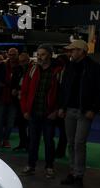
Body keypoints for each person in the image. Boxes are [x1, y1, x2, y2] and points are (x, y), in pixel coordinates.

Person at [59, 39, 100, 188]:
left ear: (82, 51)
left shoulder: (95, 68)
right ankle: (72, 171)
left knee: (79, 143)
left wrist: (94, 109)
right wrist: (62, 107)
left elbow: (99, 91)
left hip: (85, 111)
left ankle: (78, 176)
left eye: (73, 50)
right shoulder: (70, 66)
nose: (70, 52)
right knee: (71, 143)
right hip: (69, 110)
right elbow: (64, 88)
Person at [20, 44, 62, 179]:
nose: (39, 57)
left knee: (49, 142)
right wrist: (25, 109)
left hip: (49, 114)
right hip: (33, 113)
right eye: (38, 54)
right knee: (33, 141)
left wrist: (56, 110)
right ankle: (31, 166)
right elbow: (24, 91)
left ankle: (49, 167)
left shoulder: (58, 71)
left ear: (50, 54)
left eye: (42, 54)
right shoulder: (32, 70)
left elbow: (62, 93)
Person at [0, 48, 22, 148]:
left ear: (17, 54)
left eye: (14, 54)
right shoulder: (2, 65)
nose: (12, 56)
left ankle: (6, 140)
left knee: (10, 123)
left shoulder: (20, 66)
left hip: (13, 99)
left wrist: (17, 89)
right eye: (10, 54)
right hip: (1, 97)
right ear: (7, 54)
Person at [14, 52, 33, 151]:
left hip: (29, 101)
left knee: (30, 125)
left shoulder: (33, 70)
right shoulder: (18, 69)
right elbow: (15, 82)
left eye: (24, 61)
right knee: (21, 124)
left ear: (28, 60)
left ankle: (29, 145)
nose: (22, 63)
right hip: (19, 101)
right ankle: (22, 143)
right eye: (20, 61)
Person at [55, 54, 70, 158]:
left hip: (63, 105)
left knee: (64, 131)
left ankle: (61, 151)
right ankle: (59, 151)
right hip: (56, 104)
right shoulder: (57, 71)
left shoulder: (68, 72)